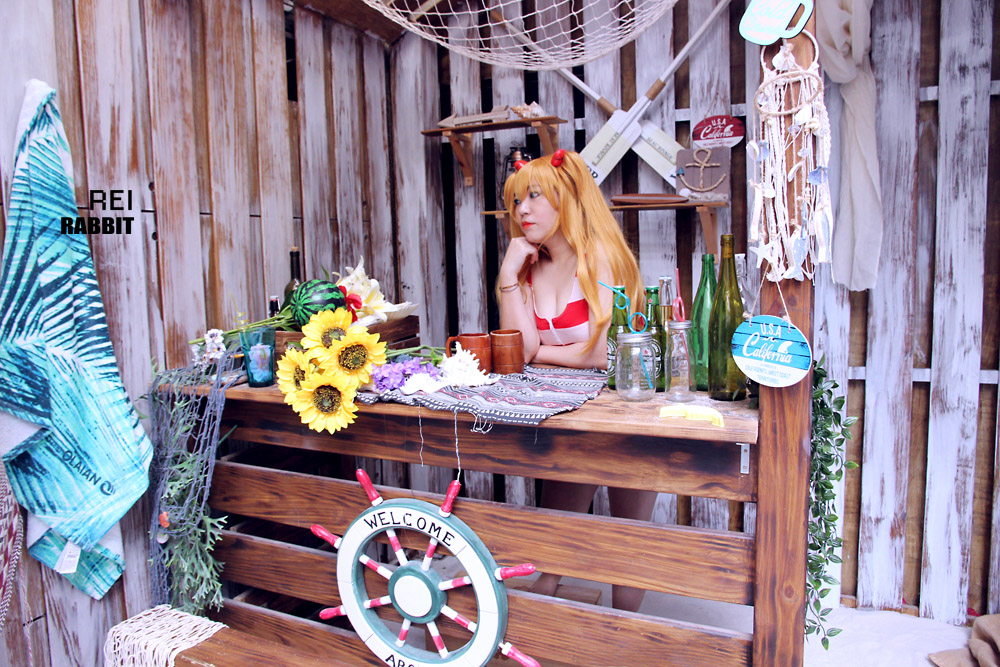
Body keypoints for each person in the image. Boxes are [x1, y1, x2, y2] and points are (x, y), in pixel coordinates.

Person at [496, 149, 656, 612]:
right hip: (567, 417)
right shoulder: (527, 267)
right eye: (516, 201)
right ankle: (547, 613)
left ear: (567, 198)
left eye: (534, 196)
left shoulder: (602, 258)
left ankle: (623, 633)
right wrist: (508, 274)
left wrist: (540, 354)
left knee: (627, 539)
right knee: (556, 529)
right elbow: (514, 350)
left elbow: (605, 353)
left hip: (625, 414)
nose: (522, 210)